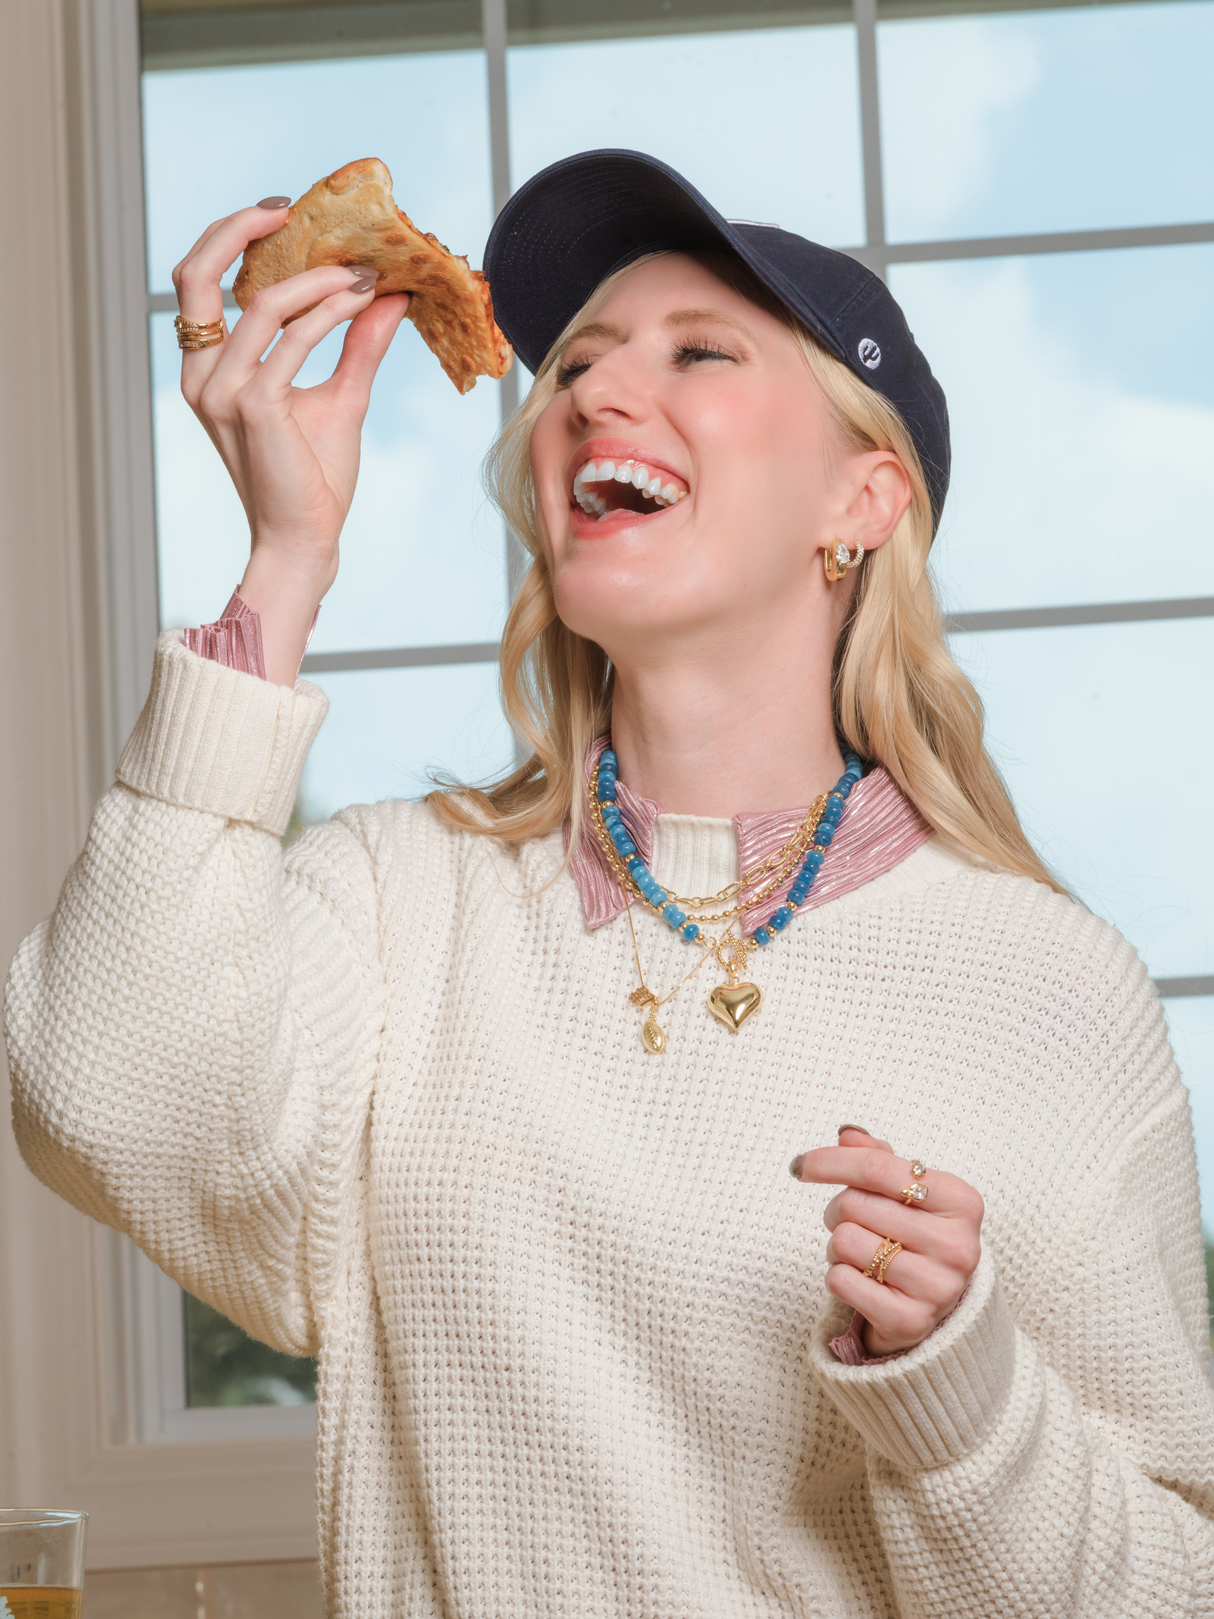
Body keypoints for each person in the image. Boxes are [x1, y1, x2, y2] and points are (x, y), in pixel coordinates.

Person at [6, 150, 1213, 1617]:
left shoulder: (1050, 990)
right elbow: (101, 1098)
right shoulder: (402, 900)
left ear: (862, 495)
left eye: (698, 352)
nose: (587, 394)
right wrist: (284, 563)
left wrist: (963, 1399)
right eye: (573, 364)